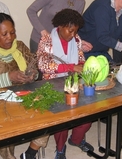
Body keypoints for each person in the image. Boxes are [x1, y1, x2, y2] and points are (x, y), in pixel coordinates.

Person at [0, 13, 46, 159]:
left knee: (47, 115)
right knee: (6, 127)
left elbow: (35, 69)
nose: (10, 38)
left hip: (23, 96)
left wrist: (32, 75)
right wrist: (8, 78)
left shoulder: (20, 47)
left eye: (12, 33)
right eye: (4, 34)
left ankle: (31, 152)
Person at [37, 9, 93, 159]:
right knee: (62, 118)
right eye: (70, 30)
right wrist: (70, 67)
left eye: (75, 31)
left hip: (73, 82)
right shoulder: (47, 40)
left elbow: (81, 59)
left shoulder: (76, 40)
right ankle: (60, 148)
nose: (73, 35)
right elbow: (43, 65)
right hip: (52, 84)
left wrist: (83, 65)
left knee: (88, 115)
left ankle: (75, 140)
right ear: (60, 26)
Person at [27, 0, 97, 53]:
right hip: (39, 40)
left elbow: (72, 27)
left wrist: (79, 43)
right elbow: (30, 10)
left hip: (60, 45)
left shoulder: (81, 2)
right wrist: (43, 32)